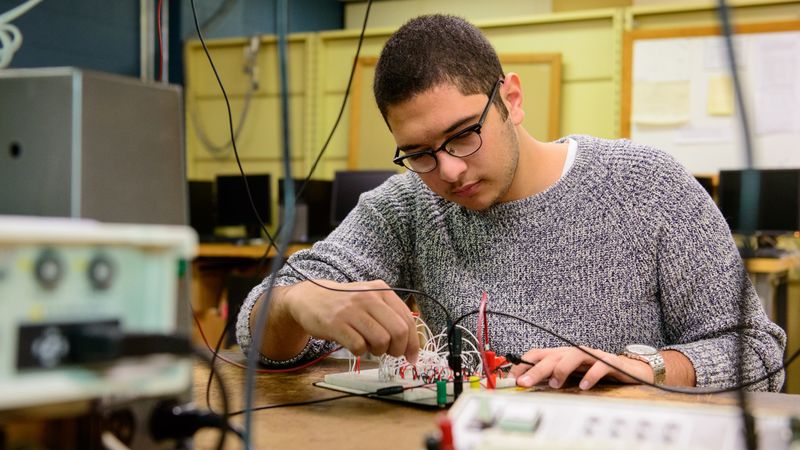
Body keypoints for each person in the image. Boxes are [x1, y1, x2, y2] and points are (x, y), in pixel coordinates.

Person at [236, 14, 786, 391]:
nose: (448, 169)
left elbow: (759, 356)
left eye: (462, 135)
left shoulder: (648, 185)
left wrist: (636, 366)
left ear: (511, 100)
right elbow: (259, 336)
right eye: (419, 153)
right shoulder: (404, 205)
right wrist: (297, 303)